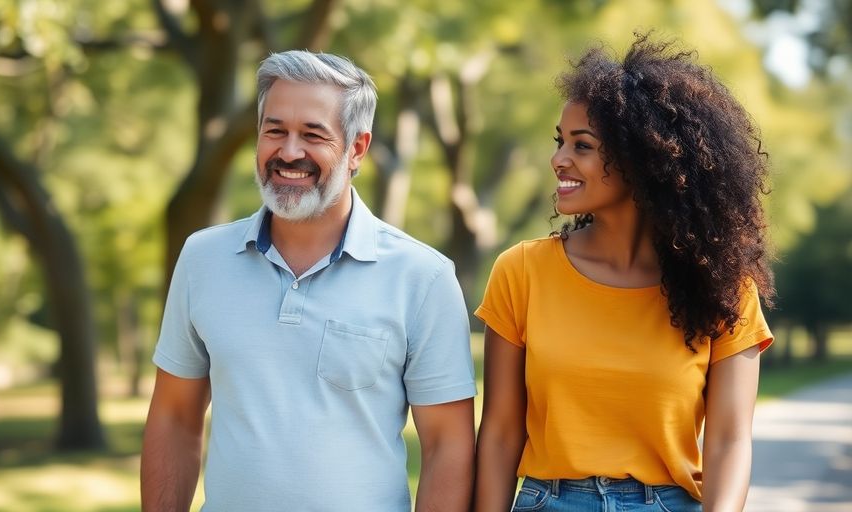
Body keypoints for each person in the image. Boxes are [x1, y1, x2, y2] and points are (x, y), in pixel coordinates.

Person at [140, 50, 477, 512]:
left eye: (312, 135)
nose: (289, 152)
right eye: (274, 130)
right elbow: (174, 418)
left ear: (357, 149)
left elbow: (447, 448)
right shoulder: (202, 258)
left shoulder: (424, 278)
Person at [474, 33, 775, 512]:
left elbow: (729, 442)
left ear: (645, 160)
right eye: (560, 142)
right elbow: (500, 434)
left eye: (582, 145)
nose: (558, 159)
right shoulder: (522, 271)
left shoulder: (724, 290)